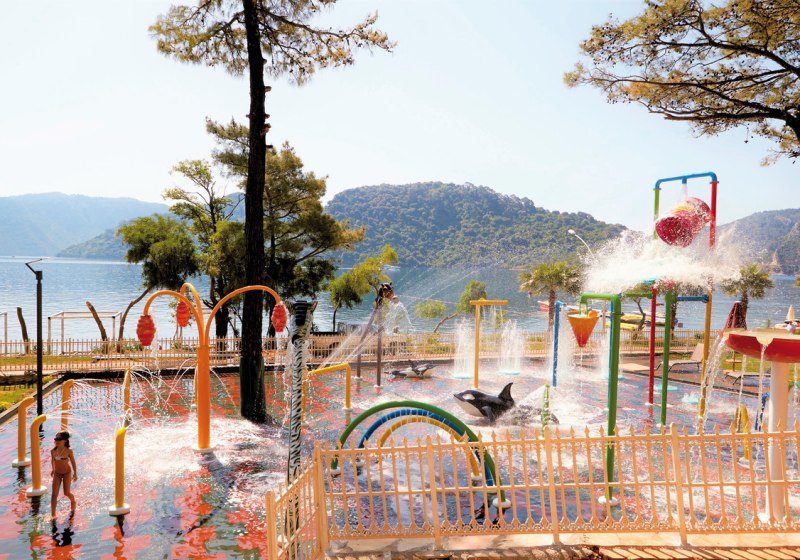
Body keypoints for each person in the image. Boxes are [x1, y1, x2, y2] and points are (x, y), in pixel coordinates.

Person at [50, 431, 77, 517]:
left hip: (66, 473)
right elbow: (52, 461)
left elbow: (73, 462)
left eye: (59, 439)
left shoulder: (68, 451)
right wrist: (53, 470)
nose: (57, 441)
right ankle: (53, 515)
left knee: (66, 493)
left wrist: (75, 473)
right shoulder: (53, 451)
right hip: (57, 473)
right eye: (56, 439)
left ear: (65, 440)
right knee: (54, 495)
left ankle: (73, 501)